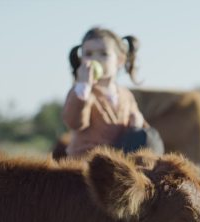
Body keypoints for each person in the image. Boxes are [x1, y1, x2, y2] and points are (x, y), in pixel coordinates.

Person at [62, 27, 163, 157]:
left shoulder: (126, 95)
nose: (95, 59)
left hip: (116, 165)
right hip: (85, 166)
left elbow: (142, 133)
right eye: (88, 54)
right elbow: (74, 122)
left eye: (103, 54)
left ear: (120, 60)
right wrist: (83, 85)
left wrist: (137, 125)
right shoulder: (82, 92)